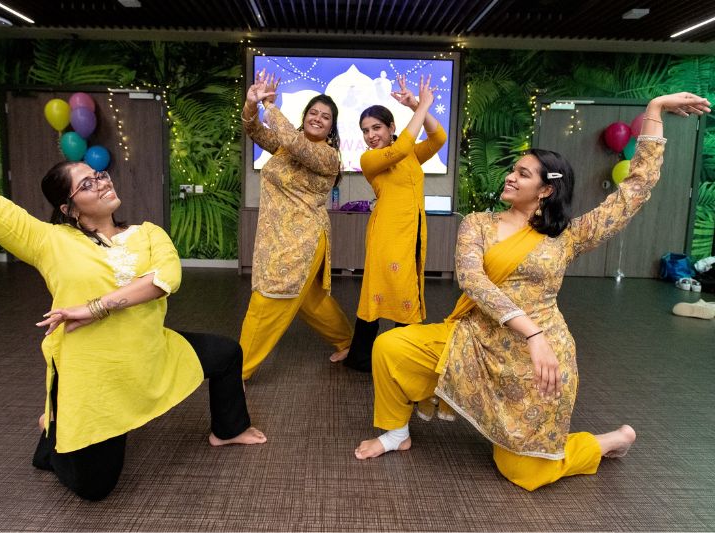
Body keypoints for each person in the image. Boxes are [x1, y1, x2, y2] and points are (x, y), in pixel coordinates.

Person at [0, 76, 266, 501]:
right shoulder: (50, 241)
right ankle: (57, 430)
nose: (101, 182)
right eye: (87, 184)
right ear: (68, 208)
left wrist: (96, 307)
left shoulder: (148, 232)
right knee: (94, 488)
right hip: (95, 376)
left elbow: (164, 280)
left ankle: (229, 430)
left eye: (98, 174)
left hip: (149, 353)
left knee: (225, 352)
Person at [353, 91, 711, 491]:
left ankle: (605, 442)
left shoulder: (567, 236)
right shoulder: (478, 224)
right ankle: (395, 432)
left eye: (524, 173)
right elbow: (473, 280)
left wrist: (654, 112)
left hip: (536, 360)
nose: (511, 175)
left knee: (524, 472)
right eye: (514, 169)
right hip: (476, 337)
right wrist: (532, 332)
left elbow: (634, 192)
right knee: (390, 348)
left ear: (545, 190)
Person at [239, 70, 353, 380]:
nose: (318, 118)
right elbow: (252, 128)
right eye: (313, 112)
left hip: (301, 240)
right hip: (274, 236)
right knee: (309, 301)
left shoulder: (329, 156)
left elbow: (294, 140)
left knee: (269, 298)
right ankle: (350, 342)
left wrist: (270, 106)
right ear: (305, 116)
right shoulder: (284, 147)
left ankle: (238, 374)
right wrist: (253, 104)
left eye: (325, 116)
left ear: (332, 127)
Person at [334, 74, 447, 373]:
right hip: (388, 233)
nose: (371, 135)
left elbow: (439, 138)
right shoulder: (370, 159)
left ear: (391, 127)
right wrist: (422, 106)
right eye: (365, 130)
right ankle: (372, 358)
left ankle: (394, 355)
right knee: (389, 291)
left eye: (377, 128)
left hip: (413, 232)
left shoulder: (409, 154)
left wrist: (415, 106)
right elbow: (398, 149)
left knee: (405, 289)